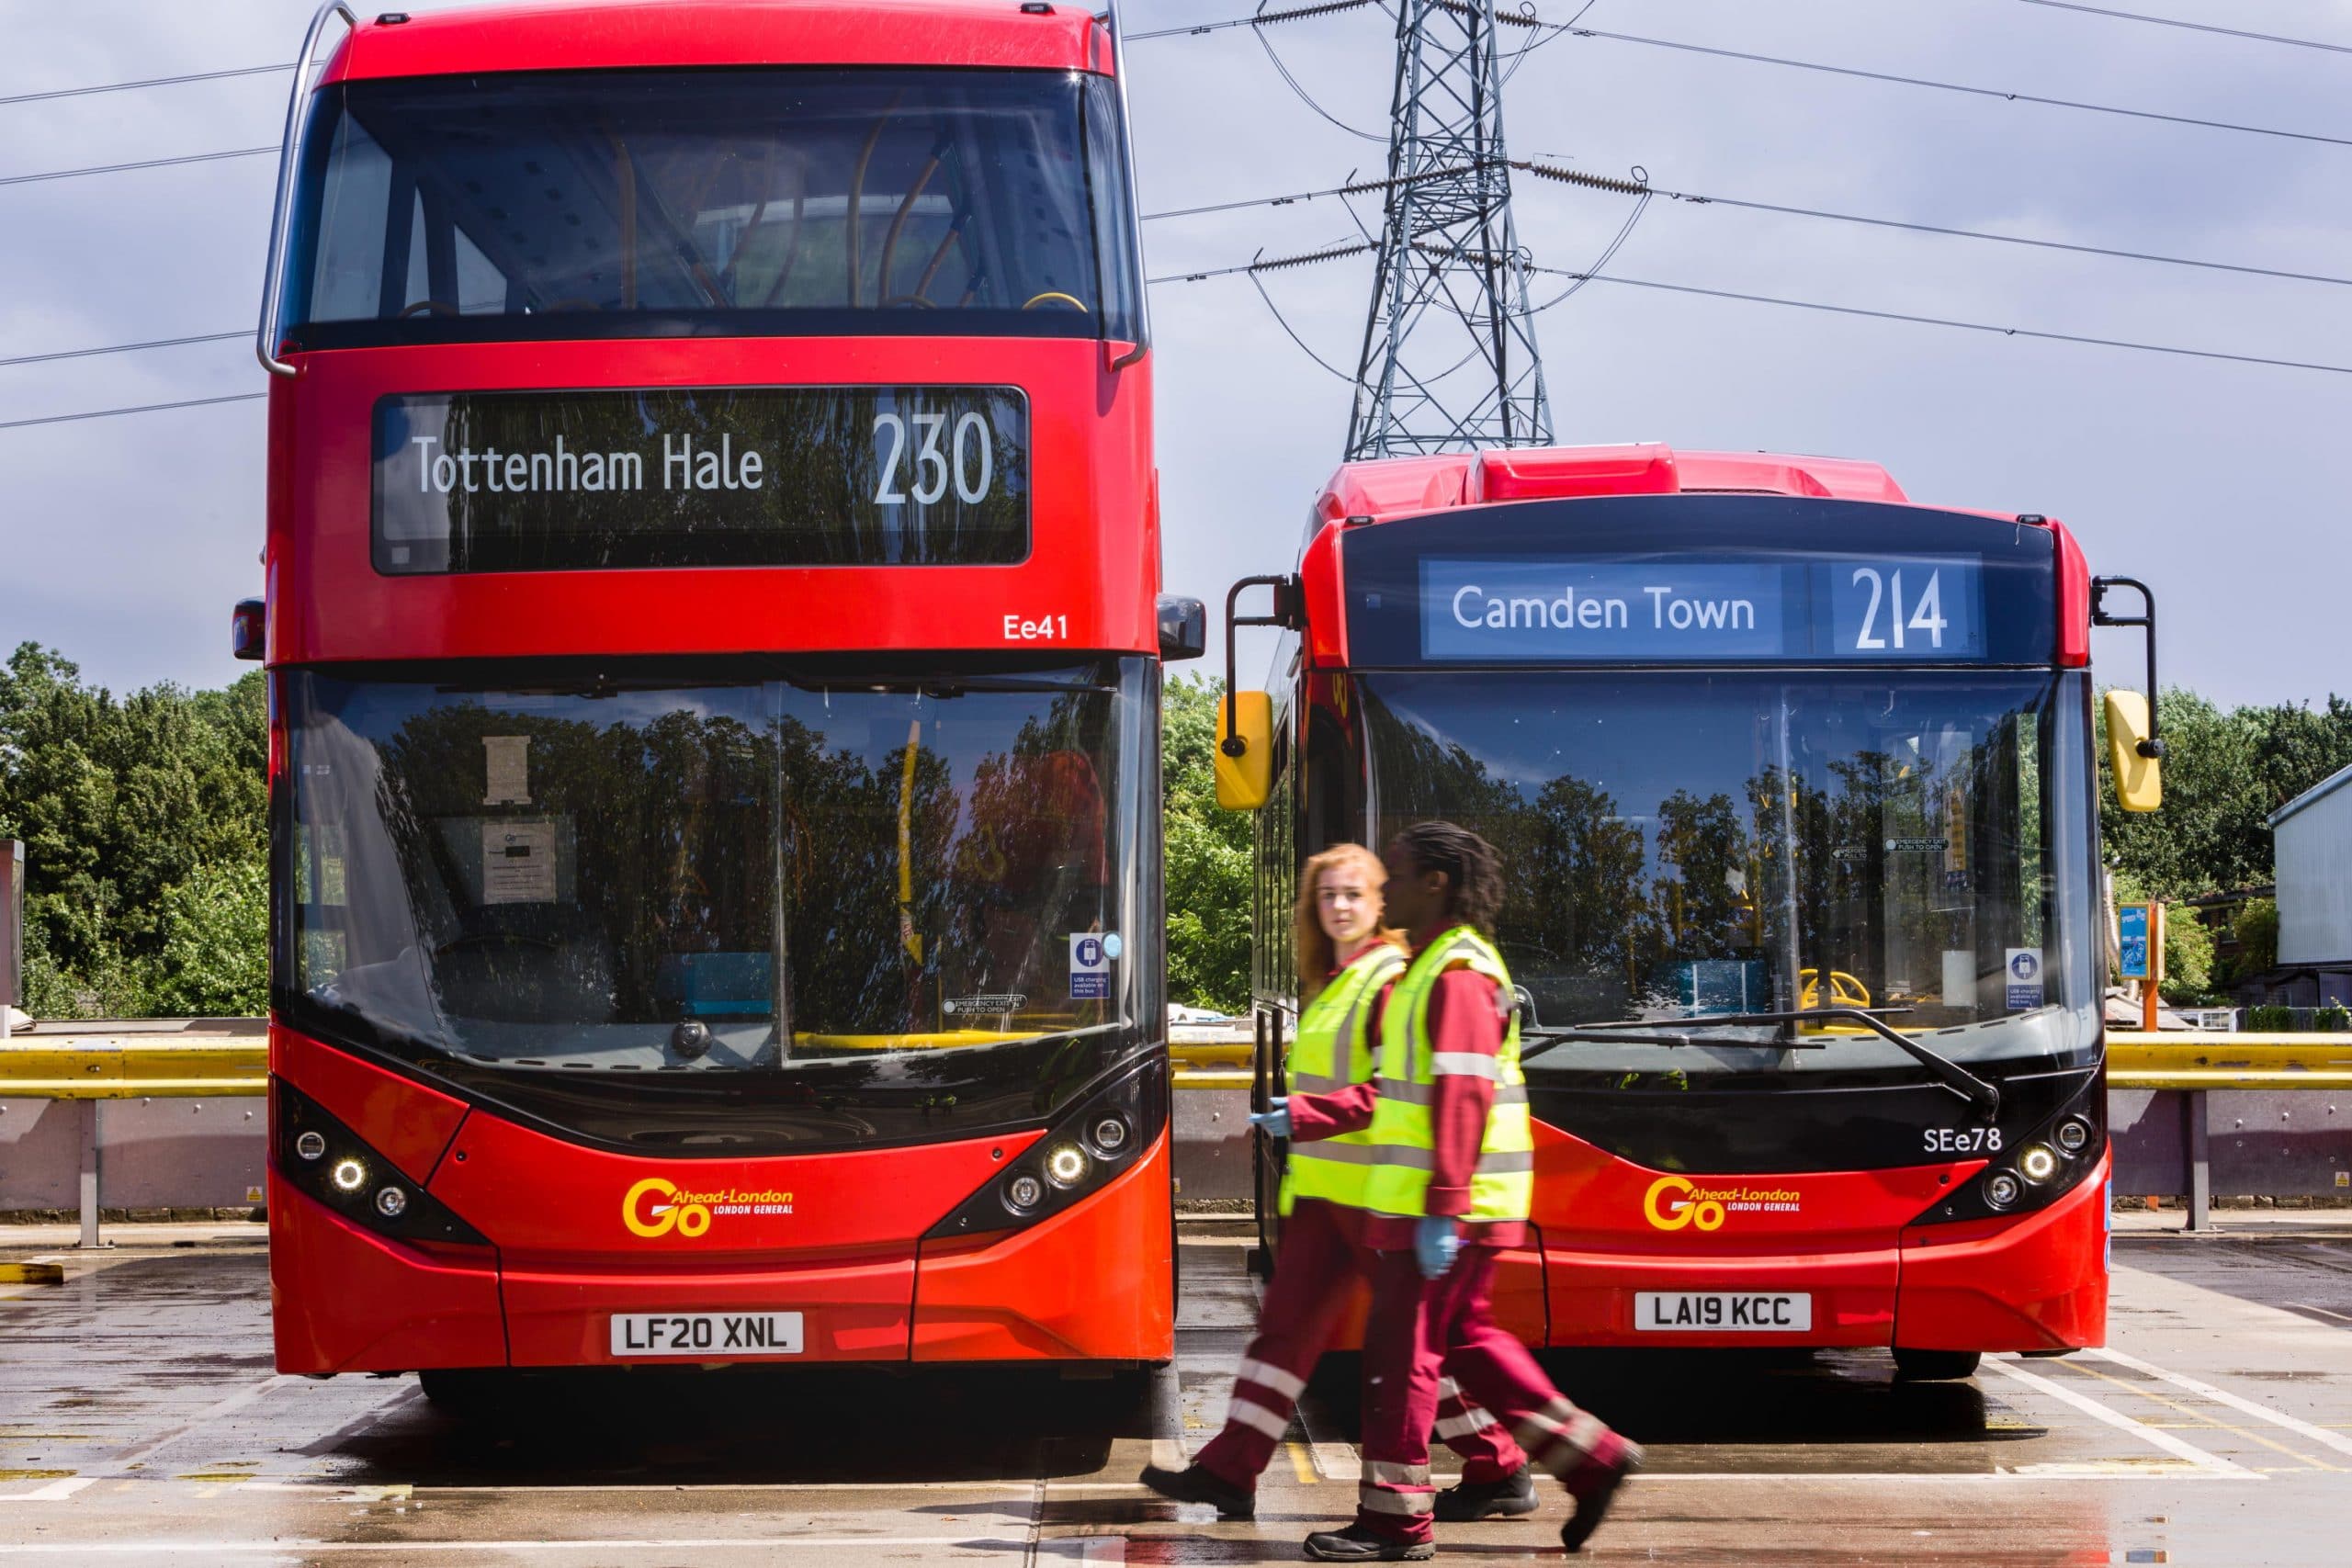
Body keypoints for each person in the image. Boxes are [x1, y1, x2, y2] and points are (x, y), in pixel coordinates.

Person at [1139, 844, 1539, 1523]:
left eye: (1354, 893)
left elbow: (1390, 1089)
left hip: (1374, 1195)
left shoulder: (1387, 977)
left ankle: (1502, 1461)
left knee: (1414, 1349)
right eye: (1327, 895)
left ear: (1383, 900)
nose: (1340, 906)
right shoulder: (1337, 978)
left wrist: (1302, 1114)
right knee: (1282, 1337)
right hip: (1328, 1197)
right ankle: (1231, 1470)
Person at [1298, 823, 1640, 1562]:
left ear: (1438, 882)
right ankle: (1593, 1456)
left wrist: (1444, 1206)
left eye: (1396, 874)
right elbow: (1400, 1091)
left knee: (1402, 1358)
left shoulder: (1454, 972)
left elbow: (1460, 1095)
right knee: (1470, 1342)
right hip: (1441, 1201)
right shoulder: (1429, 965)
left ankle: (1394, 1522)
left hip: (1444, 1203)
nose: (1383, 889)